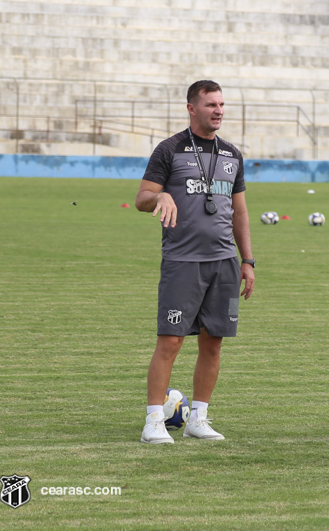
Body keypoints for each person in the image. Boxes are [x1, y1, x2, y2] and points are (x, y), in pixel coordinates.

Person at [136, 80, 255, 444]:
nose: (218, 110)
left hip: (224, 263)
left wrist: (247, 261)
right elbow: (142, 197)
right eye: (210, 105)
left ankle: (198, 418)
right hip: (182, 262)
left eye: (221, 104)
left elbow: (240, 212)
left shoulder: (232, 154)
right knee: (170, 341)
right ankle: (154, 421)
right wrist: (161, 199)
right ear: (192, 108)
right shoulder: (169, 149)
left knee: (213, 342)